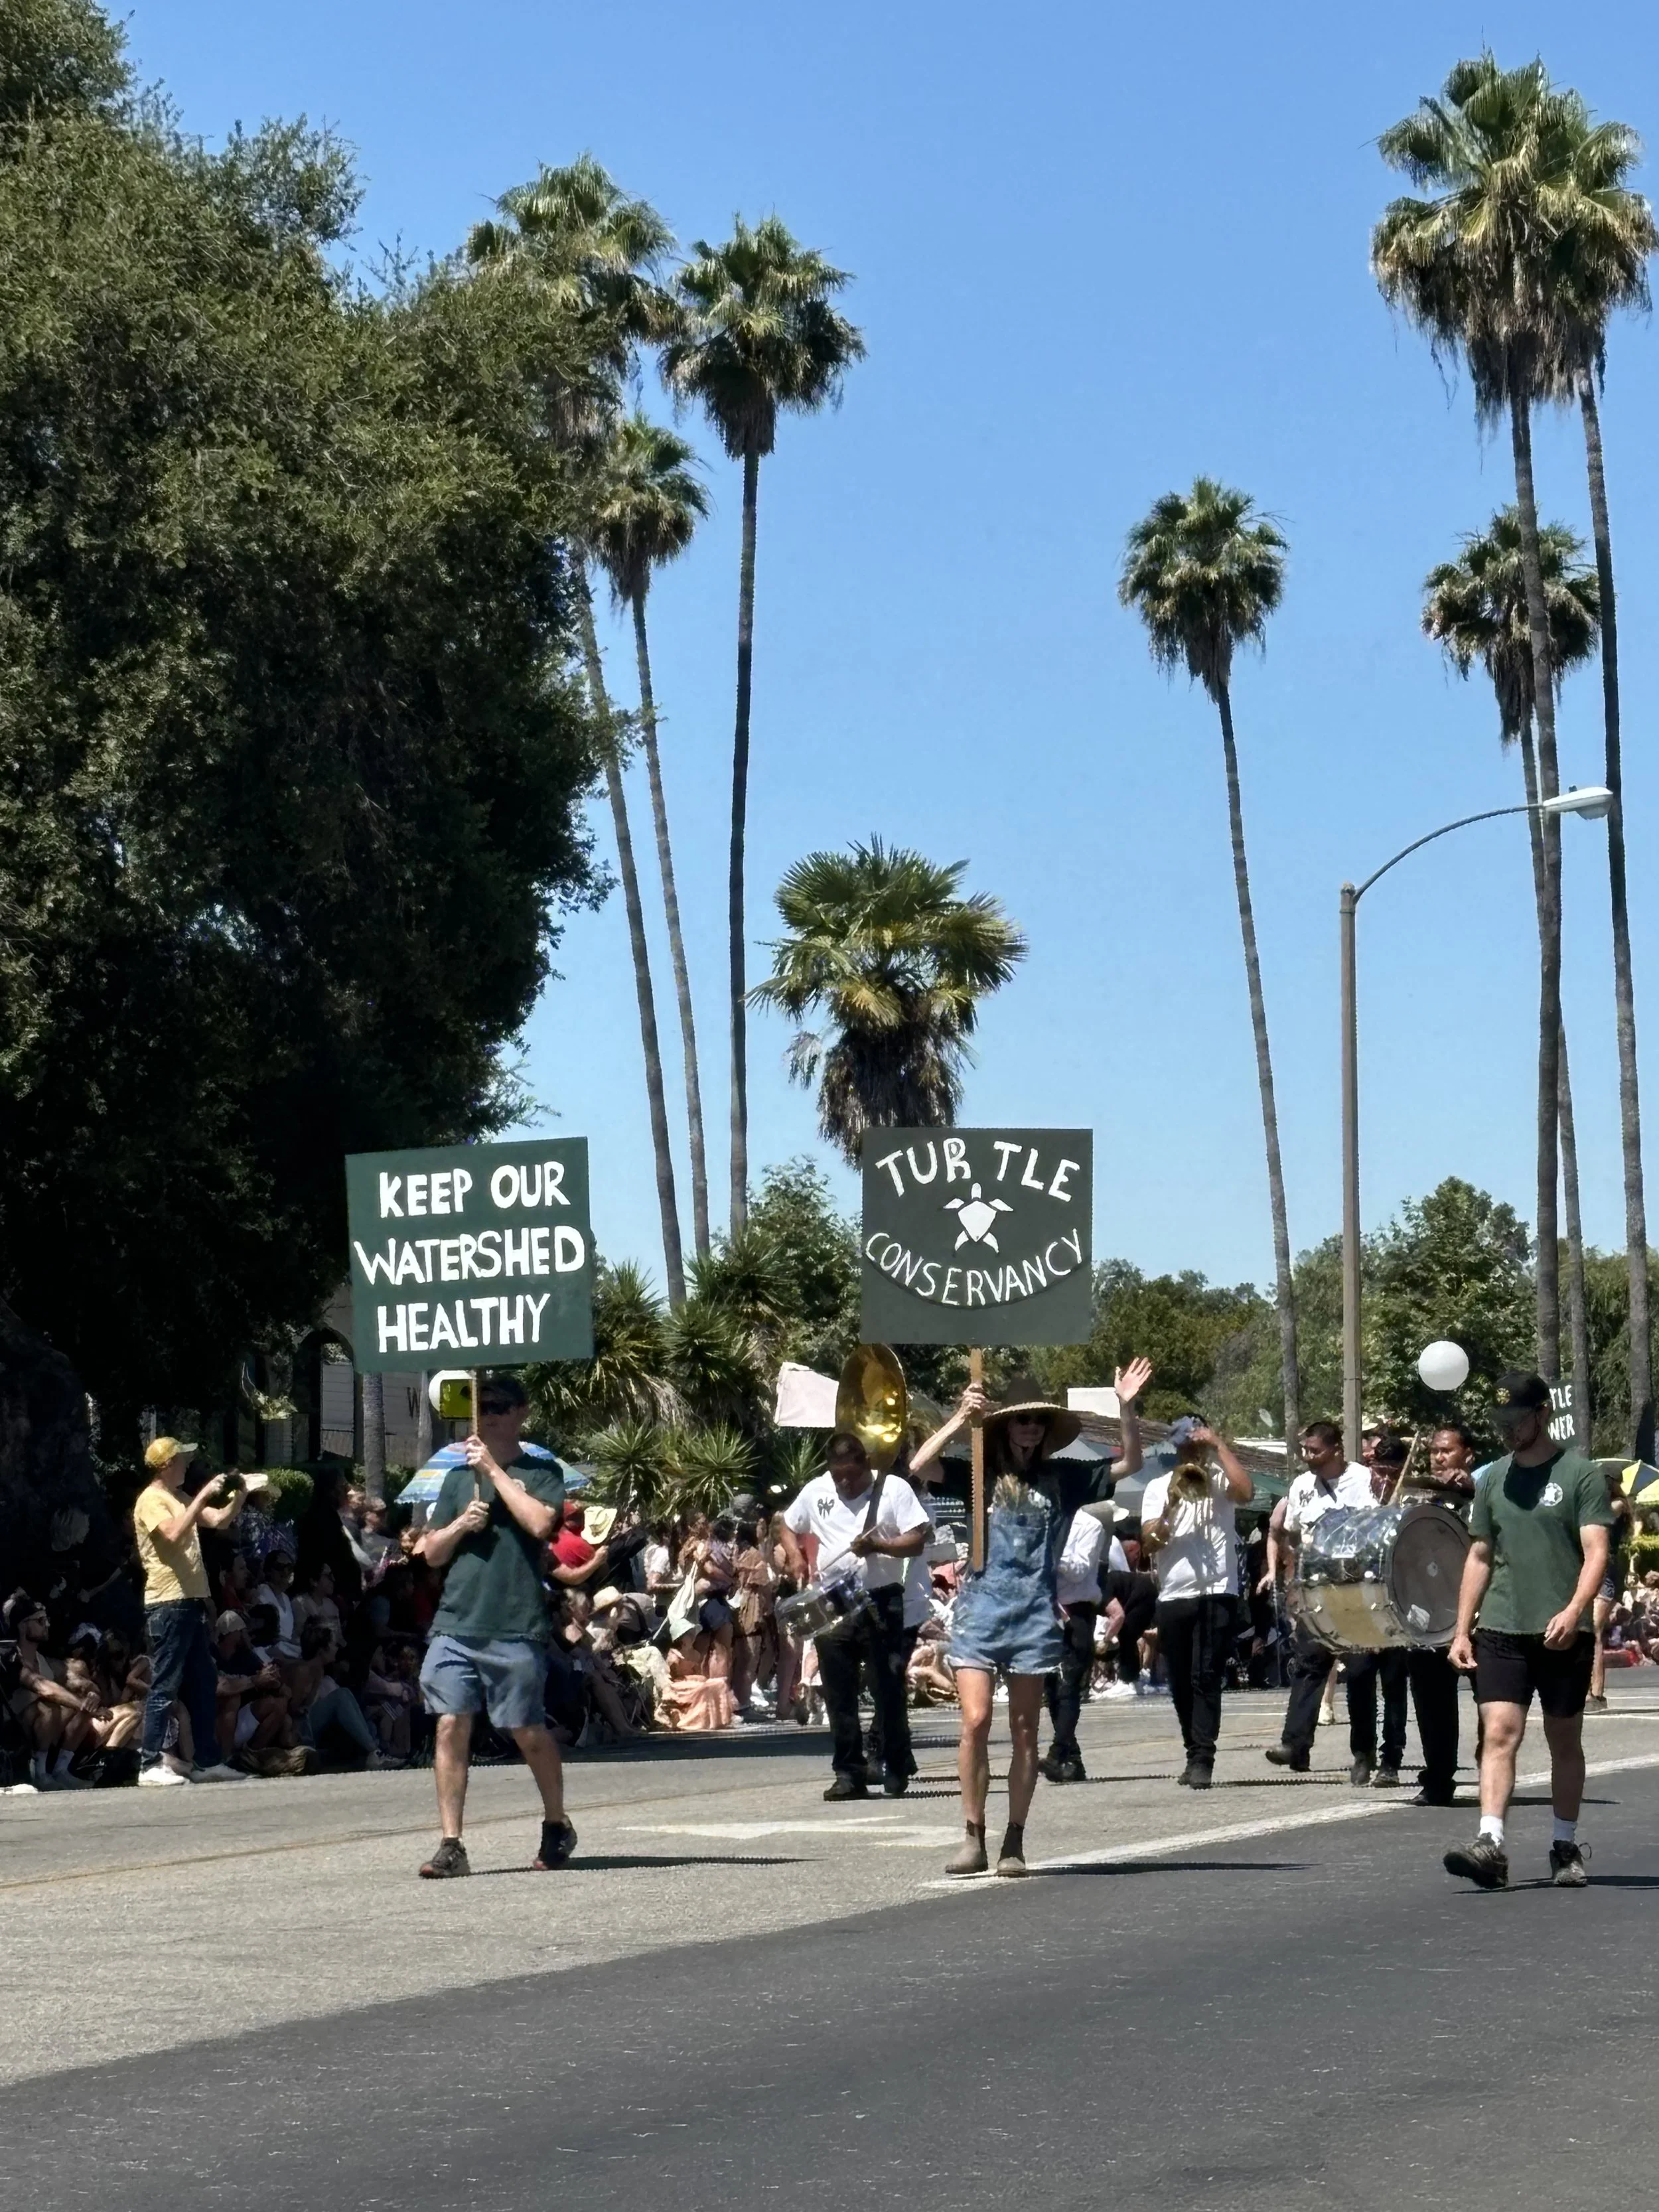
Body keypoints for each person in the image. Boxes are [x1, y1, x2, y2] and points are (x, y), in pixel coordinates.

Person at [932, 1376, 1116, 1877]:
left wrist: (1127, 1405)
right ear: (1004, 1425)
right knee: (974, 1720)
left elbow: (1131, 1465)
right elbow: (917, 1464)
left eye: (1037, 1420)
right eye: (1021, 1418)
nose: (1030, 1428)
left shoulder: (1063, 1477)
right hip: (979, 1609)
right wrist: (958, 1418)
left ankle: (1014, 1835)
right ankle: (973, 1834)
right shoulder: (979, 1471)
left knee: (1026, 1728)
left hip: (1034, 1612)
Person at [1443, 1371, 1615, 1890]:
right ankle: (1490, 1842)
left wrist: (1575, 1609)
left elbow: (1597, 1553)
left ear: (1542, 1414)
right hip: (1500, 1626)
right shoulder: (1492, 1478)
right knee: (1498, 1733)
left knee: (1564, 1739)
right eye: (1499, 1423)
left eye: (1515, 1421)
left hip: (1563, 1631)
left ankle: (1564, 1844)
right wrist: (1460, 1628)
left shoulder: (1581, 1474)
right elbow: (1479, 1553)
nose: (1507, 1431)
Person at [414, 1372, 575, 1879]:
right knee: (449, 1722)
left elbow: (541, 1524)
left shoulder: (540, 1469)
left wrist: (496, 1473)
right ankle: (451, 1842)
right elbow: (431, 1554)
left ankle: (556, 1821)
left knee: (525, 1730)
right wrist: (462, 1523)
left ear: (522, 1412)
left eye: (502, 1405)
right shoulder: (457, 1478)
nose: (490, 1414)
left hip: (514, 1622)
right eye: (483, 1406)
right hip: (457, 1620)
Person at [778, 1430, 930, 1801]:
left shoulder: (893, 1489)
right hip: (835, 1602)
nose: (845, 1482)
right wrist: (794, 1554)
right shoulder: (816, 1491)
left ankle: (894, 1762)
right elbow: (786, 1523)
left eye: (851, 1474)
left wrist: (879, 1545)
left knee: (887, 1686)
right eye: (838, 1475)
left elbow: (918, 1538)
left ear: (866, 1464)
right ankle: (849, 1772)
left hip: (882, 1599)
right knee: (838, 1691)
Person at [1139, 1415, 1254, 1788]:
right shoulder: (1157, 1487)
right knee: (1179, 1681)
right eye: (1188, 1445)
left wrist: (1219, 1445)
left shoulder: (1219, 1480)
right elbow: (1148, 1544)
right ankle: (1193, 1748)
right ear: (1176, 1448)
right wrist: (1170, 1507)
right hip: (1175, 1594)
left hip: (1217, 1592)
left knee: (1206, 1676)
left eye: (1198, 1444)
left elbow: (1247, 1492)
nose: (1194, 1451)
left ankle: (1204, 1757)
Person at [133, 1439, 250, 1787]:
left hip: (190, 1601)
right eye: (182, 1459)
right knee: (165, 1684)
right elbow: (171, 1533)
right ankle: (149, 1764)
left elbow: (217, 1520)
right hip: (167, 1602)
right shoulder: (151, 1500)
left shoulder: (178, 1498)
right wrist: (202, 1495)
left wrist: (240, 1493)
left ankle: (208, 1761)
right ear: (167, 1463)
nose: (186, 1464)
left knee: (204, 1681)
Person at [1263, 1420, 1373, 1775]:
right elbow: (1292, 1536)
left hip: (1354, 1587)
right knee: (1309, 1665)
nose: (1309, 1457)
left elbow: (1375, 1528)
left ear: (1336, 1450)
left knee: (1358, 1672)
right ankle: (1295, 1745)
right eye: (1305, 1451)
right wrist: (1293, 1581)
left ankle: (1364, 1754)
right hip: (1316, 1588)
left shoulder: (1363, 1479)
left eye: (1316, 1452)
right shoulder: (1300, 1486)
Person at [1398, 1422, 1479, 1805]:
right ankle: (1438, 1779)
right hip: (1431, 1610)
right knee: (1431, 1703)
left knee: (1493, 1700)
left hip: (1481, 1613)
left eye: (1447, 1450)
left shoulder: (1484, 1490)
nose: (1439, 1457)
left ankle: (1492, 1761)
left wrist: (1470, 1489)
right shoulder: (1418, 1501)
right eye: (1434, 1451)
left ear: (1468, 1455)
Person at [1589, 1467, 1632, 1712]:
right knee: (1588, 1631)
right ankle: (1589, 1692)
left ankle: (1596, 1694)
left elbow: (1597, 1520)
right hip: (1593, 1569)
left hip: (1607, 1571)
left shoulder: (1617, 1505)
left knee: (1594, 1631)